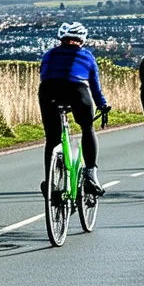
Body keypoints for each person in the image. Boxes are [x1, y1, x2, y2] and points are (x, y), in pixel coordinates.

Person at [39, 22, 111, 196]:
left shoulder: (50, 54)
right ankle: (91, 174)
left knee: (52, 138)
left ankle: (50, 182)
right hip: (76, 89)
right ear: (82, 39)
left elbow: (43, 75)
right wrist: (102, 104)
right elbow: (94, 86)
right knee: (87, 128)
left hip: (49, 90)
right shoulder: (86, 56)